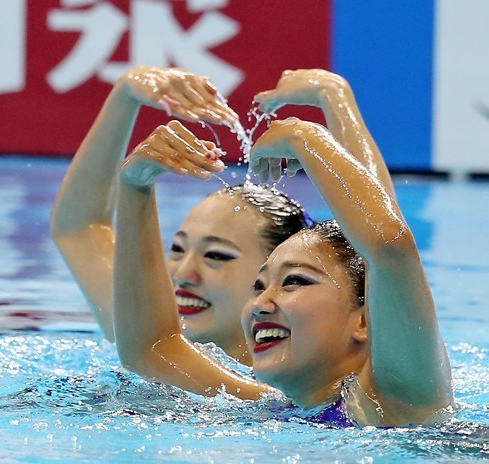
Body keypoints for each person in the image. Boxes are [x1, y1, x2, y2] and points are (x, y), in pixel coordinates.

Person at [112, 112, 454, 427]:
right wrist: (135, 183)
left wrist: (304, 136)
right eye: (259, 286)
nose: (261, 304)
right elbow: (152, 349)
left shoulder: (397, 396)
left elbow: (390, 248)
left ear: (365, 320)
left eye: (293, 281)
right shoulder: (270, 405)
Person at [51, 67, 394, 366]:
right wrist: (125, 94)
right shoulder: (141, 320)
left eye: (217, 256)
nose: (183, 275)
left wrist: (333, 99)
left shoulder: (327, 373)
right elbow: (80, 228)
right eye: (177, 249)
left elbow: (384, 248)